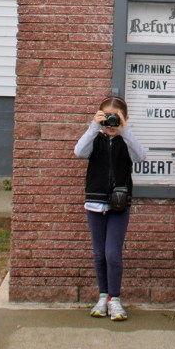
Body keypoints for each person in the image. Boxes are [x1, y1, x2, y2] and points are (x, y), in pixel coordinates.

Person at [74, 95, 146, 321]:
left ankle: (115, 299)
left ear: (125, 119)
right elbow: (79, 152)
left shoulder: (126, 140)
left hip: (119, 204)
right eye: (107, 118)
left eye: (116, 118)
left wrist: (124, 130)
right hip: (95, 203)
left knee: (112, 253)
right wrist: (94, 126)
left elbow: (141, 157)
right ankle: (103, 297)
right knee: (99, 253)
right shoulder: (94, 138)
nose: (111, 124)